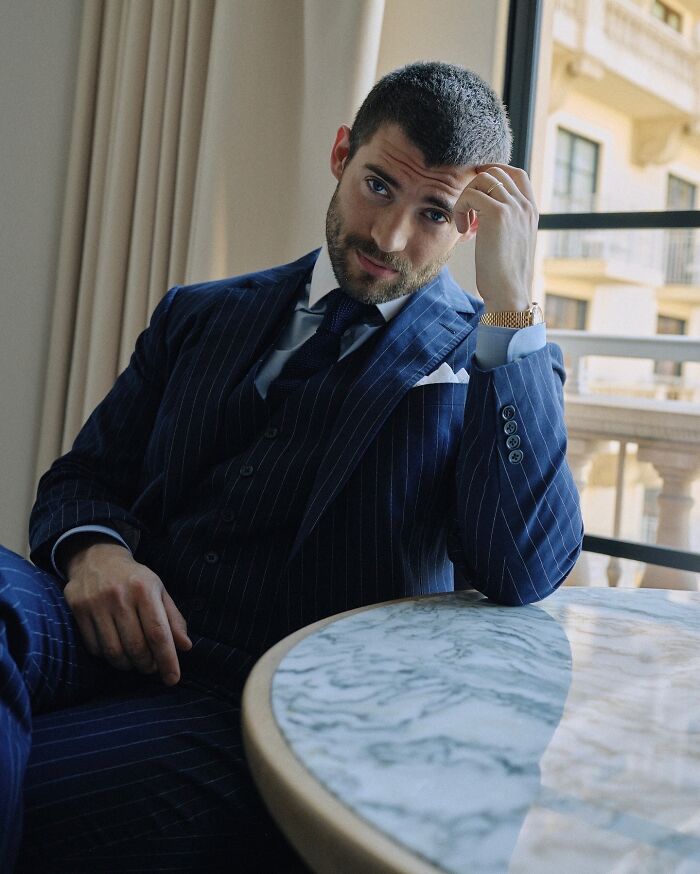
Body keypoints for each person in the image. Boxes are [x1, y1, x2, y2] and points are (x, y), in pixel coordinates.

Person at [1, 61, 583, 871]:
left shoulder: (486, 355)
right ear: (342, 152)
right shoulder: (199, 311)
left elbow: (525, 568)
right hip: (93, 629)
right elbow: (82, 477)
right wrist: (96, 550)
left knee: (39, 795)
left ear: (472, 226)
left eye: (433, 214)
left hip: (249, 701)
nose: (389, 237)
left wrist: (512, 307)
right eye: (378, 186)